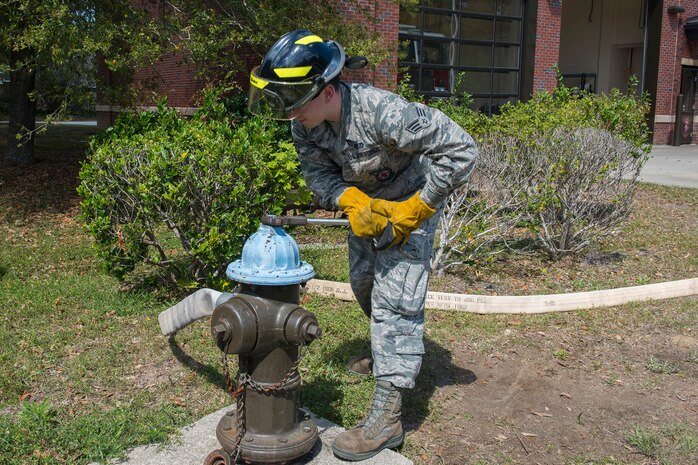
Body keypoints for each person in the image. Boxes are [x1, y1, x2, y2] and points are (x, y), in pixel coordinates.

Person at [248, 29, 478, 461]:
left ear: (328, 91)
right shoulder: (307, 125)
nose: (291, 113)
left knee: (396, 305)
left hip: (413, 207)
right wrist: (349, 198)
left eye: (295, 101)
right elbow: (318, 175)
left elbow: (463, 149)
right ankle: (385, 351)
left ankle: (387, 417)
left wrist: (417, 209)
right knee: (365, 287)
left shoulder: (383, 112)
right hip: (367, 212)